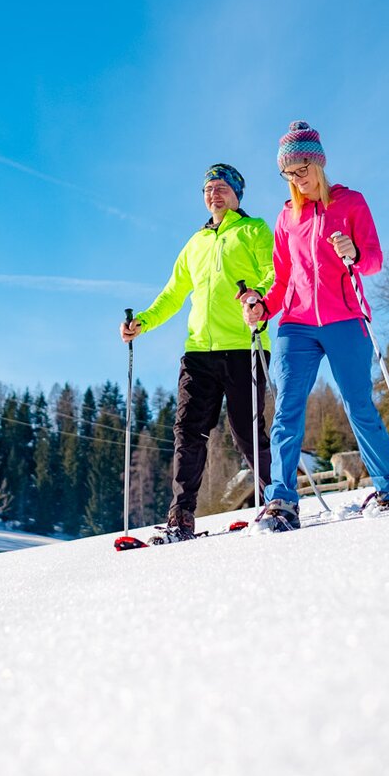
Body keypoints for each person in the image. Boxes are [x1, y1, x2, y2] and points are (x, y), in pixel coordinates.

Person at [241, 122, 389, 530]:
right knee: (286, 409)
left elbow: (373, 260)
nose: (296, 180)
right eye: (288, 174)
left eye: (301, 169)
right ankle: (282, 500)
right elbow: (281, 279)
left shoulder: (351, 203)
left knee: (358, 403)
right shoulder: (287, 219)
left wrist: (353, 252)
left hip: (345, 317)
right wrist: (263, 305)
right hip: (297, 323)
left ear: (318, 164)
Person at [120, 164, 275, 540]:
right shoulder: (195, 243)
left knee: (246, 432)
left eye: (221, 187)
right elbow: (173, 293)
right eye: (208, 189)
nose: (213, 194)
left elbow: (274, 273)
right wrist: (143, 321)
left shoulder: (254, 230)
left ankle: (277, 499)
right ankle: (182, 515)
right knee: (188, 432)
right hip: (198, 352)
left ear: (237, 193)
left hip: (244, 345)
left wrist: (261, 301)